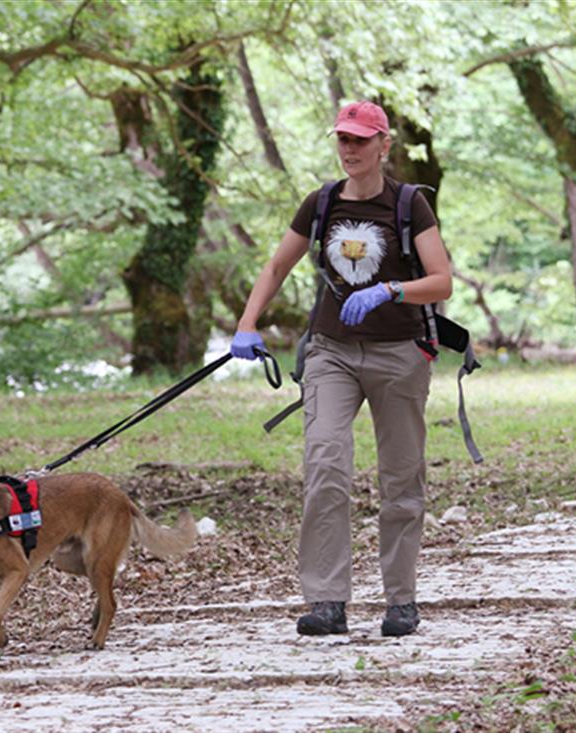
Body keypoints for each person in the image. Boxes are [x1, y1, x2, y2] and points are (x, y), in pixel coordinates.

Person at [230, 100, 451, 637]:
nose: (349, 149)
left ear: (383, 145)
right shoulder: (321, 203)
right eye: (342, 140)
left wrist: (390, 289)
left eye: (359, 139)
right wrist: (247, 323)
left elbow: (442, 280)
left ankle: (401, 600)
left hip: (399, 352)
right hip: (331, 351)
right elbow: (278, 263)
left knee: (401, 476)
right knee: (325, 465)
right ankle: (327, 600)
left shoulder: (408, 205)